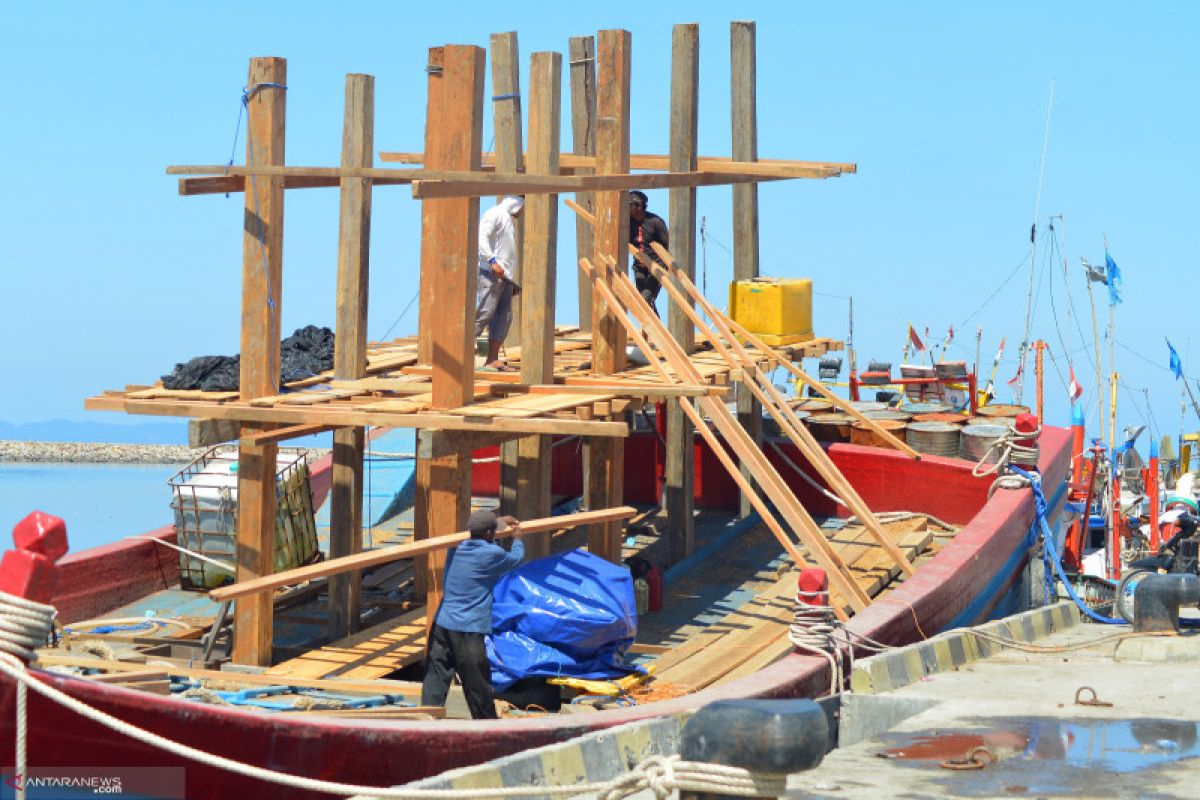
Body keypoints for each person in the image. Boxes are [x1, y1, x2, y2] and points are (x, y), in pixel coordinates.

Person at [421, 510, 524, 720]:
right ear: (488, 533)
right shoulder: (491, 554)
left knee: (436, 675)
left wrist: (498, 523)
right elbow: (515, 559)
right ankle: (486, 725)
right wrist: (517, 539)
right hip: (467, 629)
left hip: (442, 624)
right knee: (476, 681)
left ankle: (425, 719)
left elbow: (481, 534)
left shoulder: (455, 546)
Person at [476, 196, 524, 370]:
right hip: (490, 273)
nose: (522, 212)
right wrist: (492, 261)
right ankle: (461, 355)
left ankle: (492, 359)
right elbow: (482, 237)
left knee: (503, 317)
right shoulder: (495, 213)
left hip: (504, 277)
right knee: (485, 312)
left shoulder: (507, 218)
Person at [628, 190, 669, 313]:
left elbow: (668, 246)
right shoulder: (627, 222)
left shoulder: (655, 222)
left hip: (656, 268)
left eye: (630, 205)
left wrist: (666, 268)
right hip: (640, 267)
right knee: (643, 303)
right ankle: (654, 330)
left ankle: (653, 330)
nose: (627, 208)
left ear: (639, 206)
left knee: (646, 298)